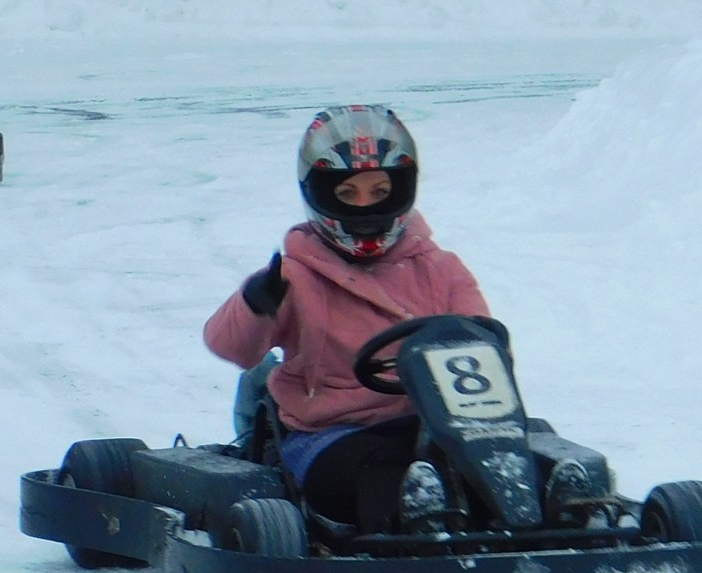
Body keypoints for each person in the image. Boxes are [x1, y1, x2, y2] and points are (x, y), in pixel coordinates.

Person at [203, 105, 489, 532]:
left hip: (433, 427)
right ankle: (423, 536)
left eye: (378, 191)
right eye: (347, 193)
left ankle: (568, 505)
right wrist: (255, 303)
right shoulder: (295, 275)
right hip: (331, 435)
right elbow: (229, 345)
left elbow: (480, 349)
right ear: (319, 194)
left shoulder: (439, 268)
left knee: (522, 447)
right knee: (385, 475)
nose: (365, 205)